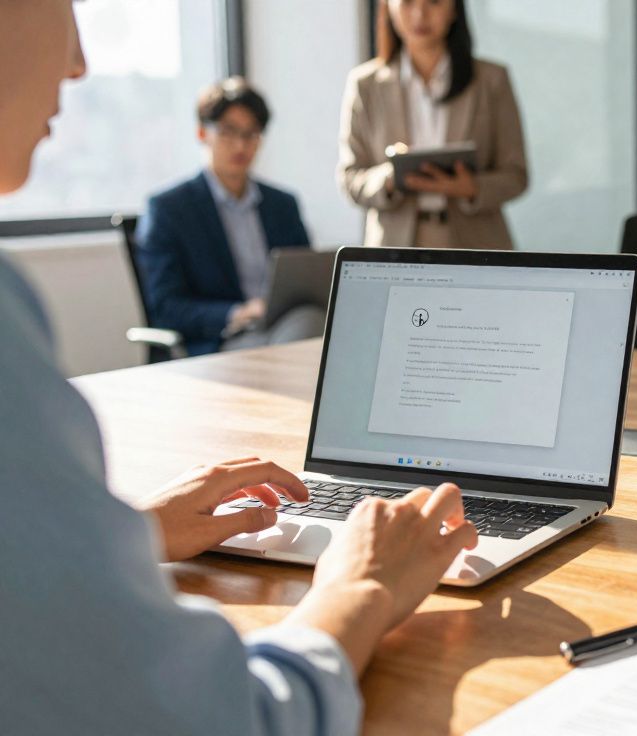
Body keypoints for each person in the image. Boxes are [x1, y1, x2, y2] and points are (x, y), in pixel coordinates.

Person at [0, 3, 477, 733]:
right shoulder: (161, 212)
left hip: (289, 341)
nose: (79, 61)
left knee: (306, 321)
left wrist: (135, 530)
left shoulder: (280, 204)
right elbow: (196, 716)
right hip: (219, 357)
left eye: (253, 134)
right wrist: (361, 588)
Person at [136, 77, 322, 355]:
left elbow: (308, 283)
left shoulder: (282, 205)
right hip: (221, 339)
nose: (240, 145)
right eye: (228, 131)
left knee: (314, 324)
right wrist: (238, 313)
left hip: (285, 324)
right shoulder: (170, 209)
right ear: (202, 133)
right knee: (308, 340)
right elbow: (166, 306)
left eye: (251, 133)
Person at [339, 0, 528, 249]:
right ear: (389, 8)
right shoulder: (366, 84)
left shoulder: (490, 80)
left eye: (435, 2)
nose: (420, 14)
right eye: (407, 2)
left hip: (476, 244)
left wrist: (472, 187)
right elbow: (350, 178)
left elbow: (516, 174)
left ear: (454, 10)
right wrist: (390, 176)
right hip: (394, 247)